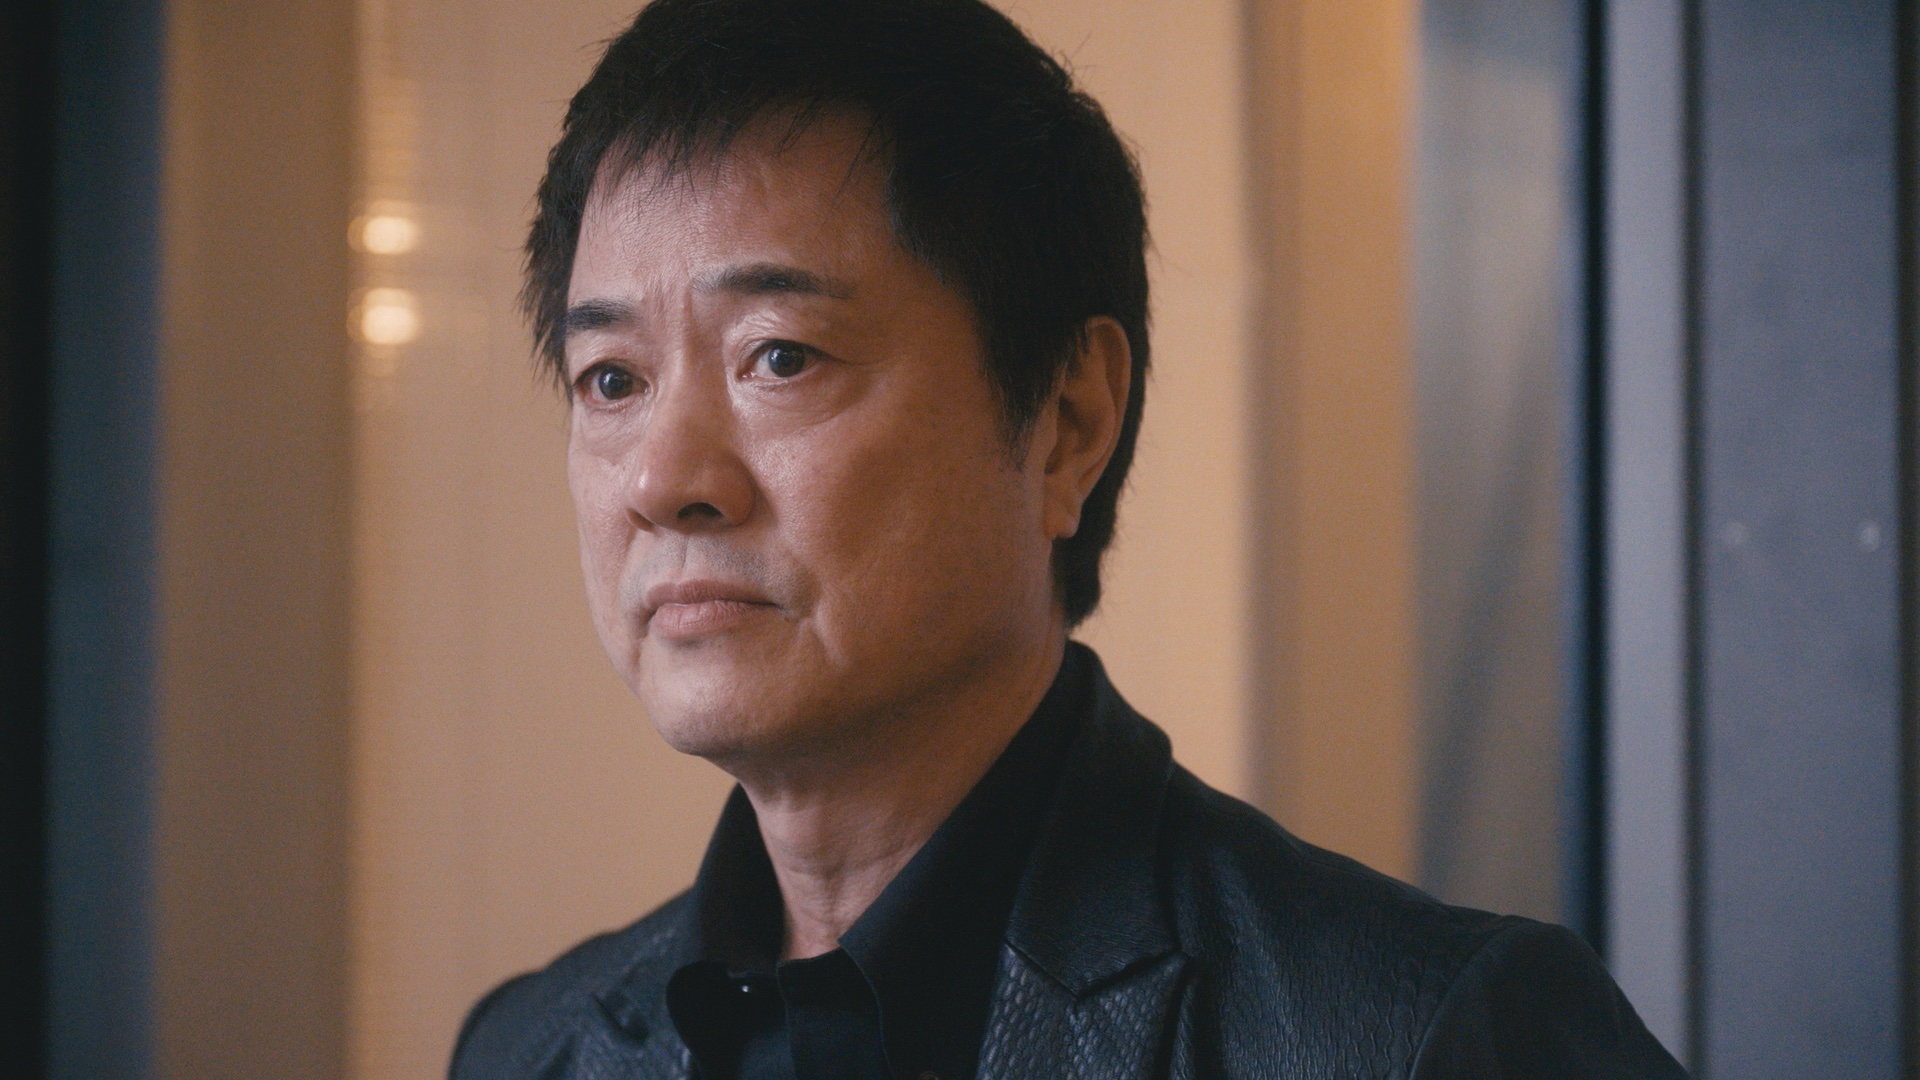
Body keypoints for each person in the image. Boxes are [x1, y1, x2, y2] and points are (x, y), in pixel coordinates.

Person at [451, 0, 1687, 1076]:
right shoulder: (528, 1049)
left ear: (1067, 422)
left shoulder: (1426, 1036)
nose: (664, 480)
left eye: (780, 357)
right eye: (611, 380)